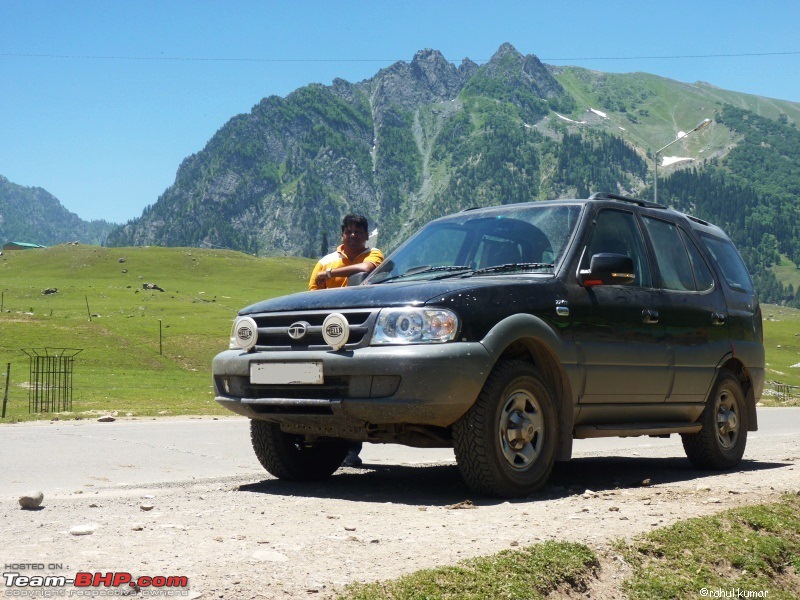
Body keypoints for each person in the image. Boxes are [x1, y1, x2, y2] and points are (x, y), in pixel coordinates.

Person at [309, 214, 383, 466]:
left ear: (365, 235)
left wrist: (330, 274)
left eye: (358, 231)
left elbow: (367, 270)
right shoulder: (324, 260)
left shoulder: (374, 255)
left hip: (358, 330)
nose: (353, 235)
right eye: (349, 231)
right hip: (327, 331)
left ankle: (351, 450)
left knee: (349, 387)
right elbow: (311, 296)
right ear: (342, 234)